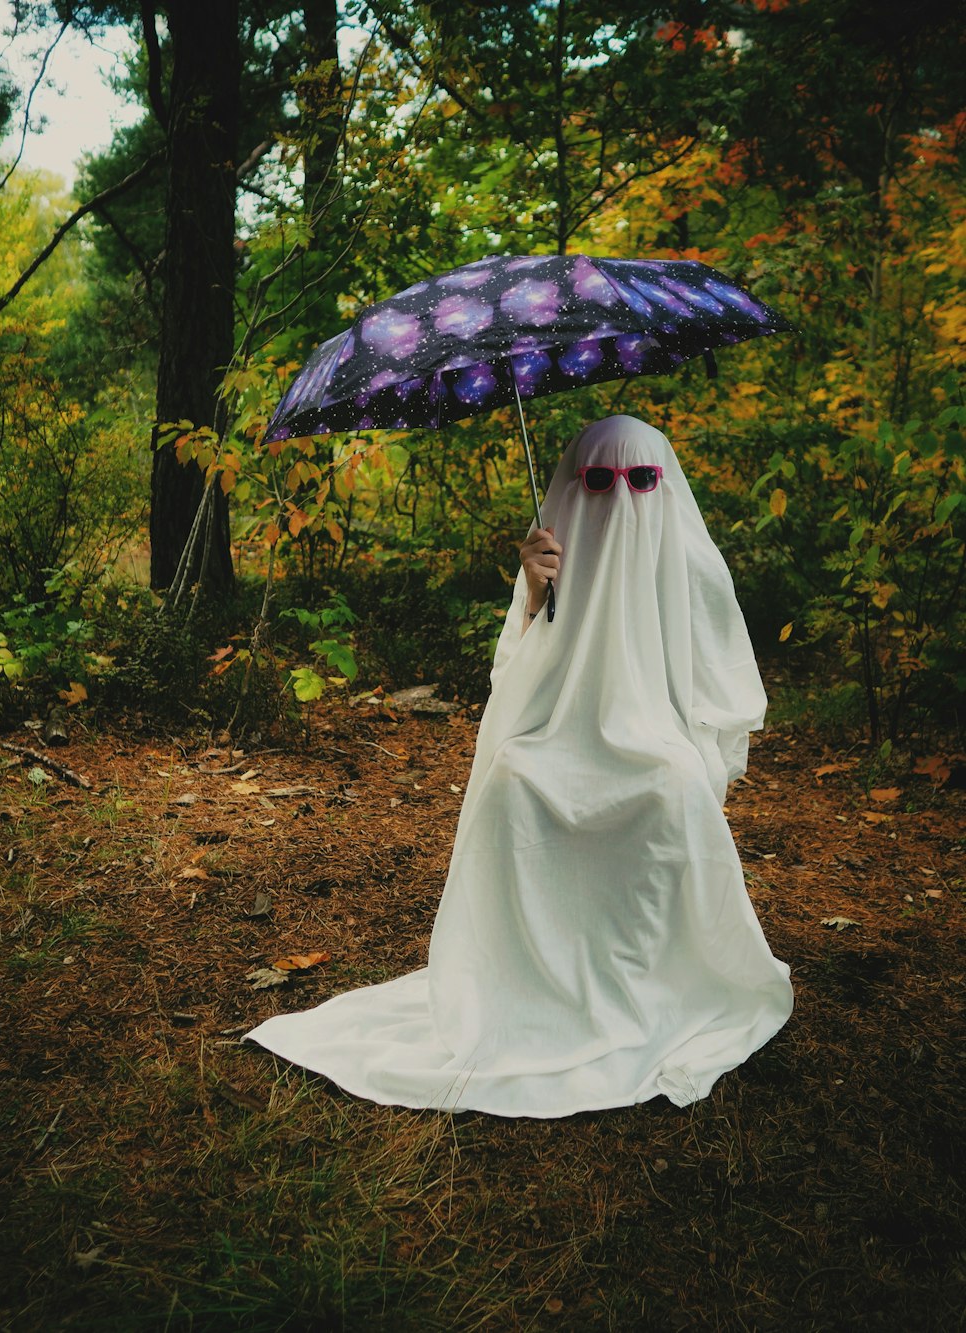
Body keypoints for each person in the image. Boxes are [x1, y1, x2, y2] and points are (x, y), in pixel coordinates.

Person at [246, 414, 793, 1115]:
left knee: (677, 786)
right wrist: (536, 598)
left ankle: (657, 979)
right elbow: (514, 686)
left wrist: (691, 747)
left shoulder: (679, 556)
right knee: (513, 781)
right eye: (599, 480)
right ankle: (526, 988)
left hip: (654, 739)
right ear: (573, 484)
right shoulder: (550, 560)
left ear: (665, 485)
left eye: (642, 479)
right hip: (556, 738)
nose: (621, 498)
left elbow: (716, 675)